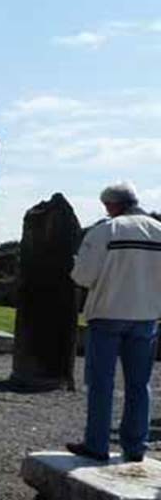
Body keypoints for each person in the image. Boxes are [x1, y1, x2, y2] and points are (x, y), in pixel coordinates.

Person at [67, 182, 161, 463]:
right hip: (145, 315)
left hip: (108, 312)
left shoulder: (106, 230)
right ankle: (135, 448)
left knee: (101, 383)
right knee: (139, 384)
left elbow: (82, 276)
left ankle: (97, 445)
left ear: (112, 205)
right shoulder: (158, 230)